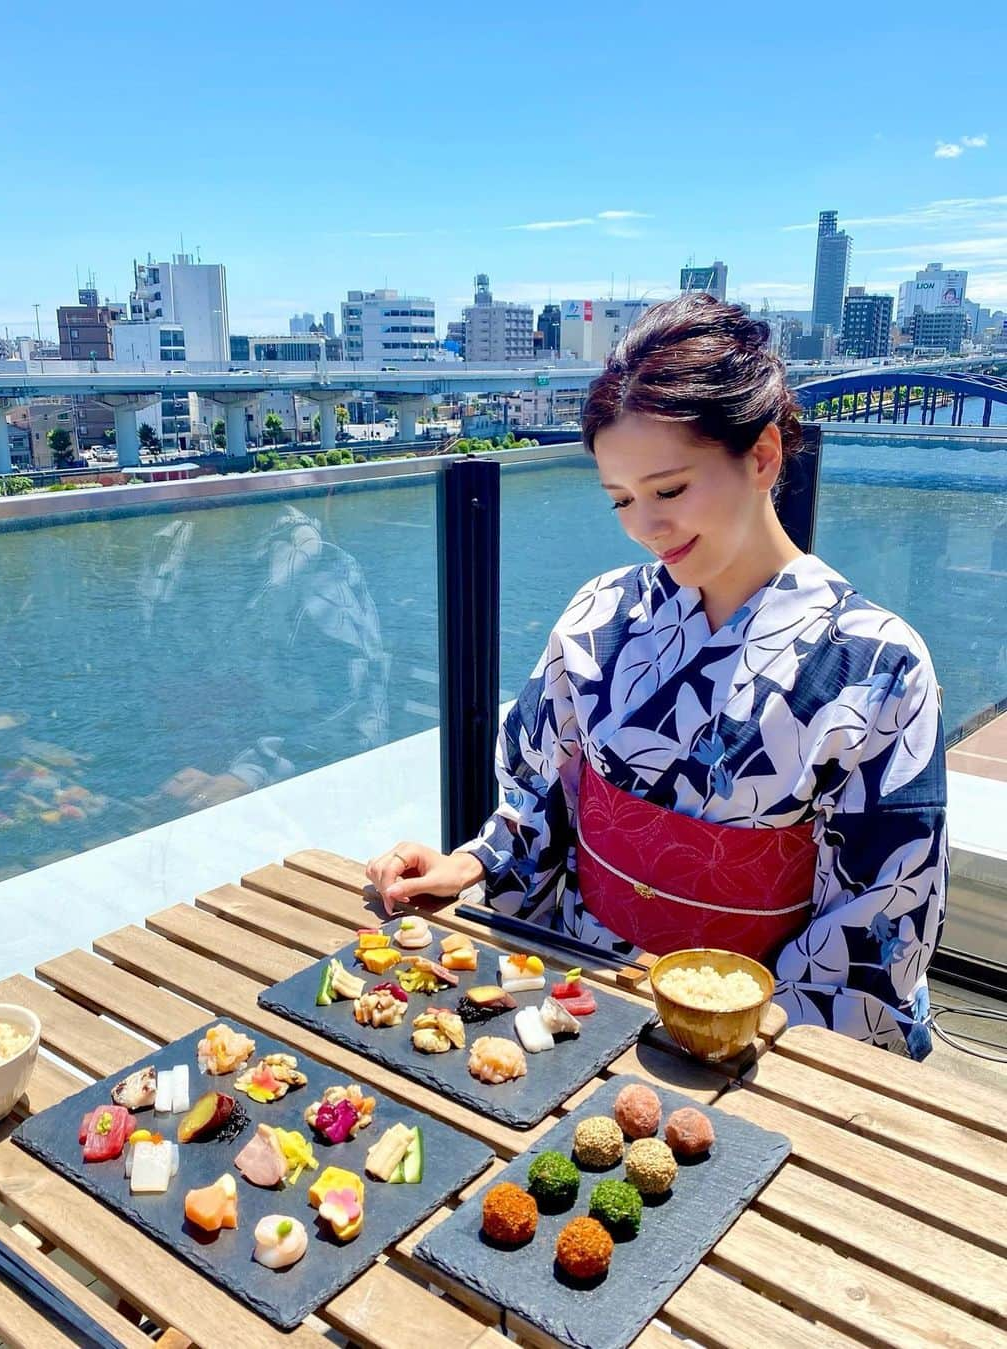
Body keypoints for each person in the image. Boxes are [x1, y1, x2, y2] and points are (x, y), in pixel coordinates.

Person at [367, 295, 947, 1059]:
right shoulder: (600, 614)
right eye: (622, 499)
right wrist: (468, 863)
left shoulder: (876, 667)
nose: (645, 525)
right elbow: (538, 800)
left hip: (761, 1036)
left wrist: (736, 1029)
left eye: (669, 489)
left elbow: (876, 922)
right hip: (581, 997)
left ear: (764, 456)